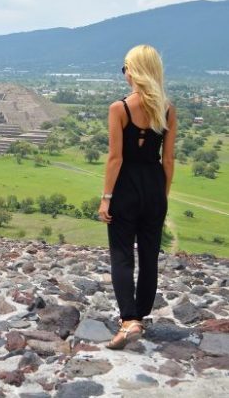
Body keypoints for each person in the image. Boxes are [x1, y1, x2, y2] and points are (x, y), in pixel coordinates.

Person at [99, 44, 177, 350]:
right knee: (148, 256)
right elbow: (168, 160)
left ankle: (128, 319)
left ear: (135, 72)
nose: (125, 74)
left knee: (121, 255)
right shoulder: (168, 110)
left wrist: (106, 197)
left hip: (125, 187)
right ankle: (140, 317)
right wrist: (162, 195)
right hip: (155, 184)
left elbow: (115, 158)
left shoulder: (120, 108)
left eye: (126, 68)